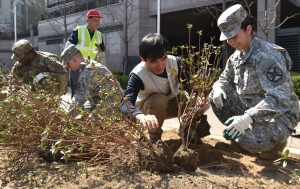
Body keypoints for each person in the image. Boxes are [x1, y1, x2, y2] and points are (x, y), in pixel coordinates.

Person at [209, 4, 300, 160]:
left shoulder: (267, 56)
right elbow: (224, 79)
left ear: (249, 29)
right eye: (227, 37)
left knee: (247, 137)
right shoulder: (236, 57)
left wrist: (246, 119)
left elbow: (280, 99)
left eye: (234, 36)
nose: (231, 41)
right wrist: (218, 88)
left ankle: (276, 145)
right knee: (215, 97)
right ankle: (239, 144)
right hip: (251, 109)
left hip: (280, 115)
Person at [121, 33, 206, 144]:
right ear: (143, 59)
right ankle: (155, 138)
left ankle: (187, 130)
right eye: (153, 61)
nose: (160, 65)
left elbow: (190, 86)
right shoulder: (138, 74)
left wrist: (199, 97)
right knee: (159, 99)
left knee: (190, 100)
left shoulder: (175, 63)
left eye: (163, 58)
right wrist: (141, 117)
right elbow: (125, 103)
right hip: (148, 111)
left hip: (171, 103)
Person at [60, 44, 121, 116]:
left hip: (112, 102)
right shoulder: (88, 65)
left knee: (91, 120)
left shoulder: (88, 71)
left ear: (74, 60)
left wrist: (67, 118)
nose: (68, 66)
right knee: (84, 112)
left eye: (68, 63)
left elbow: (79, 98)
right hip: (101, 100)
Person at [65, 9, 106, 98]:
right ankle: (75, 110)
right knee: (76, 89)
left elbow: (102, 53)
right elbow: (68, 47)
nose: (97, 22)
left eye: (98, 20)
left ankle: (90, 110)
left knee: (93, 90)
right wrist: (67, 62)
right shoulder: (79, 30)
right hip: (77, 65)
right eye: (95, 20)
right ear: (88, 19)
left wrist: (103, 68)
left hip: (91, 66)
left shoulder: (99, 35)